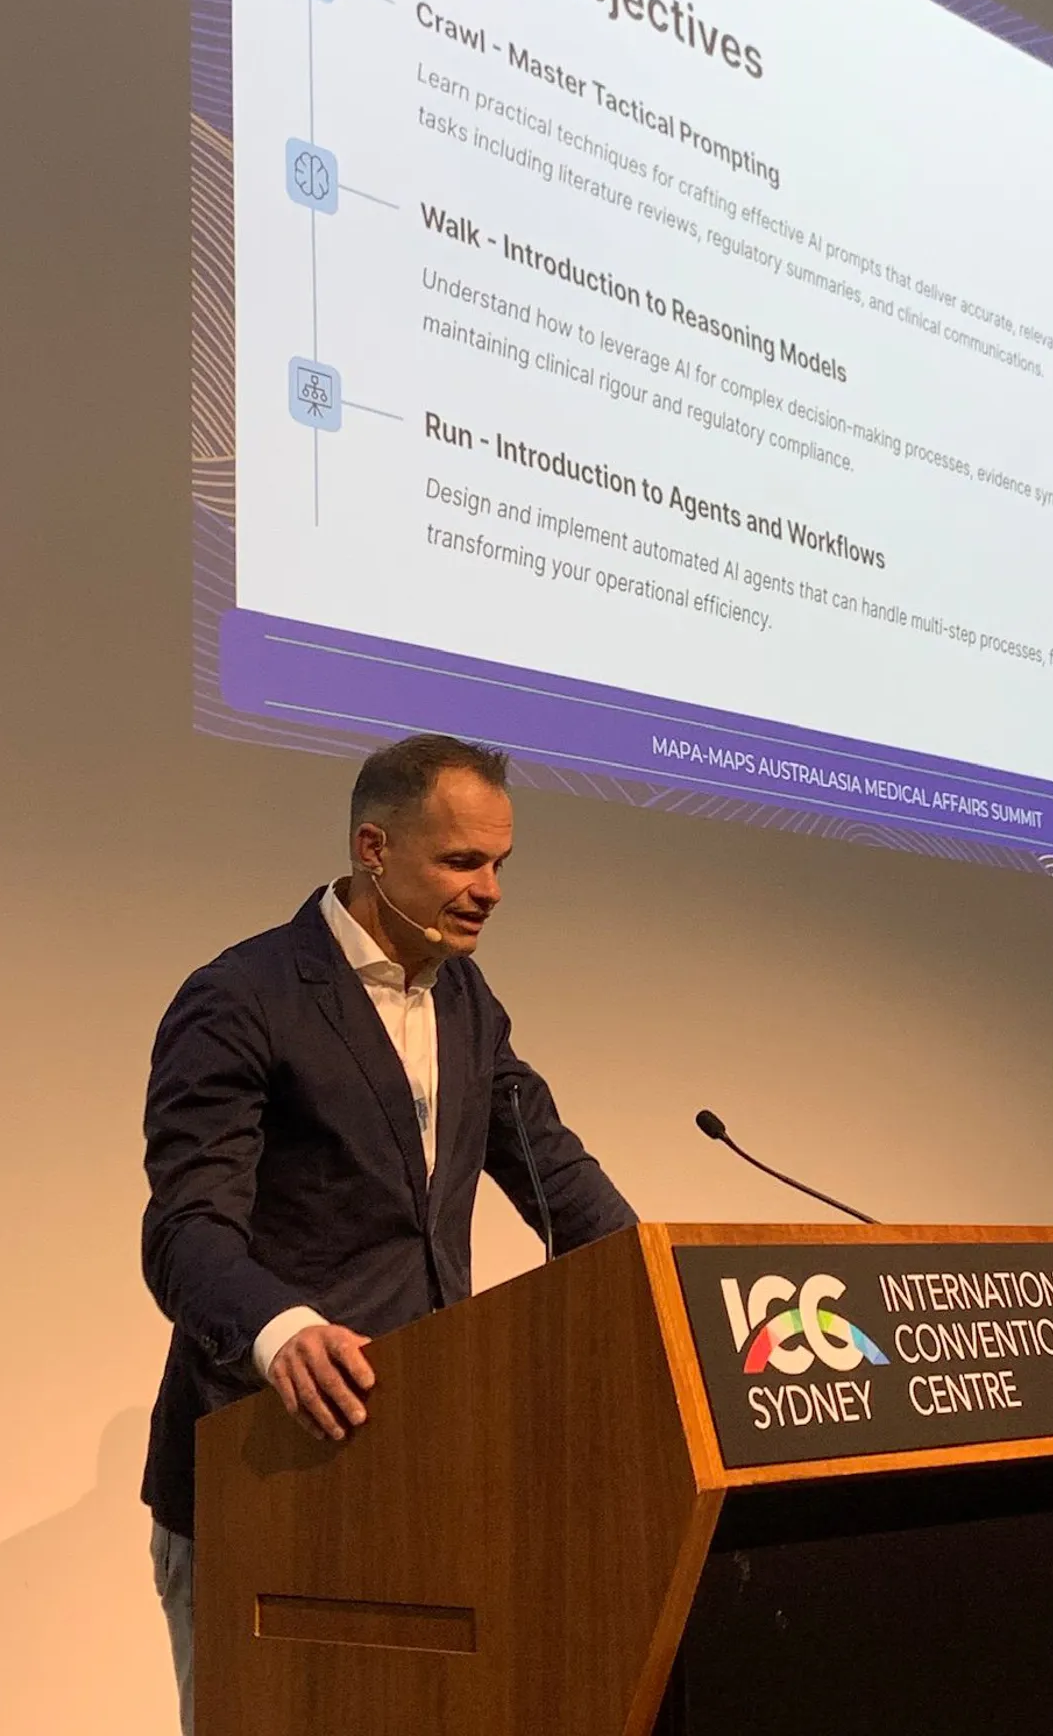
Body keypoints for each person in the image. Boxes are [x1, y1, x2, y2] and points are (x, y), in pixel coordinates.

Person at [139, 734, 635, 1730]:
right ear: (374, 847)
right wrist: (284, 1329)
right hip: (268, 1462)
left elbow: (551, 1170)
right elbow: (186, 1230)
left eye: (500, 863)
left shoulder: (465, 998)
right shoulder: (244, 996)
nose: (490, 890)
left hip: (425, 1462)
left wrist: (654, 1285)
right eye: (462, 861)